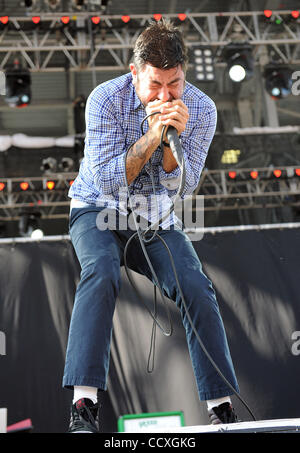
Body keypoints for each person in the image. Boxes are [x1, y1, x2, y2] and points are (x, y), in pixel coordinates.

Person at [63, 19, 240, 433]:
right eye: (155, 85)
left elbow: (184, 186)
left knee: (195, 284)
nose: (165, 95)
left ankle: (221, 406)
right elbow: (108, 179)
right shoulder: (104, 99)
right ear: (134, 73)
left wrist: (170, 145)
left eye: (174, 84)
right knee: (100, 271)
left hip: (155, 214)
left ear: (184, 75)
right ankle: (84, 404)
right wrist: (149, 135)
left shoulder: (202, 109)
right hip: (96, 208)